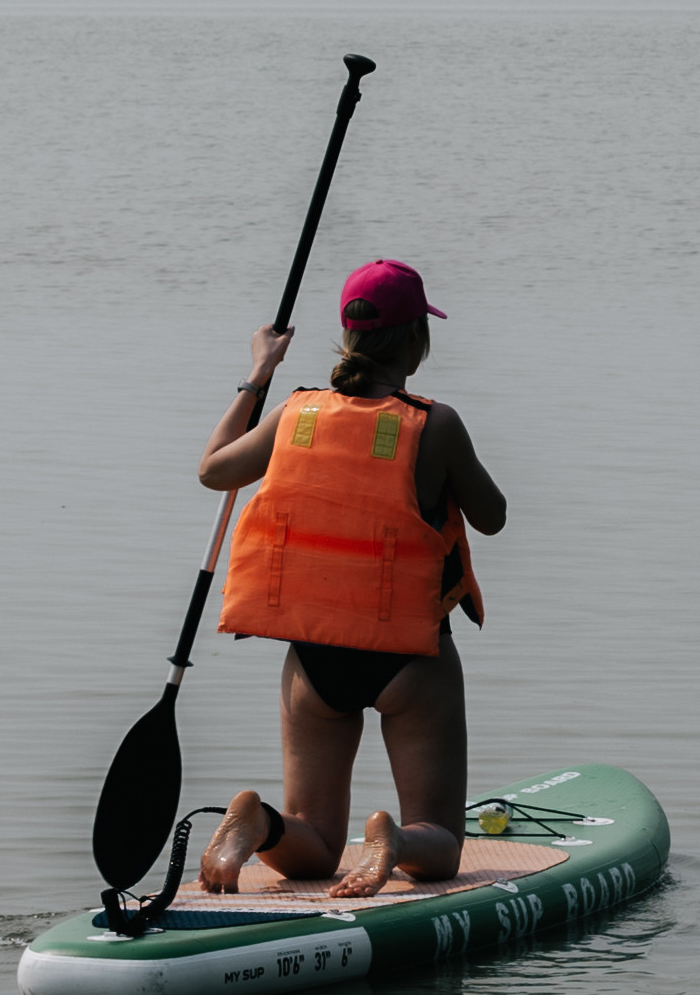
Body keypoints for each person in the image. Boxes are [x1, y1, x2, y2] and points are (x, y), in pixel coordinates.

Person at [195, 260, 507, 900]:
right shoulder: (435, 424)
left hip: (314, 661)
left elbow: (214, 470)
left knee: (311, 847)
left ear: (348, 337)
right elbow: (493, 517)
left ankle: (261, 823)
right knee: (441, 845)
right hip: (410, 661)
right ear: (417, 339)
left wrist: (260, 374)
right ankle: (396, 840)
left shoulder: (295, 412)